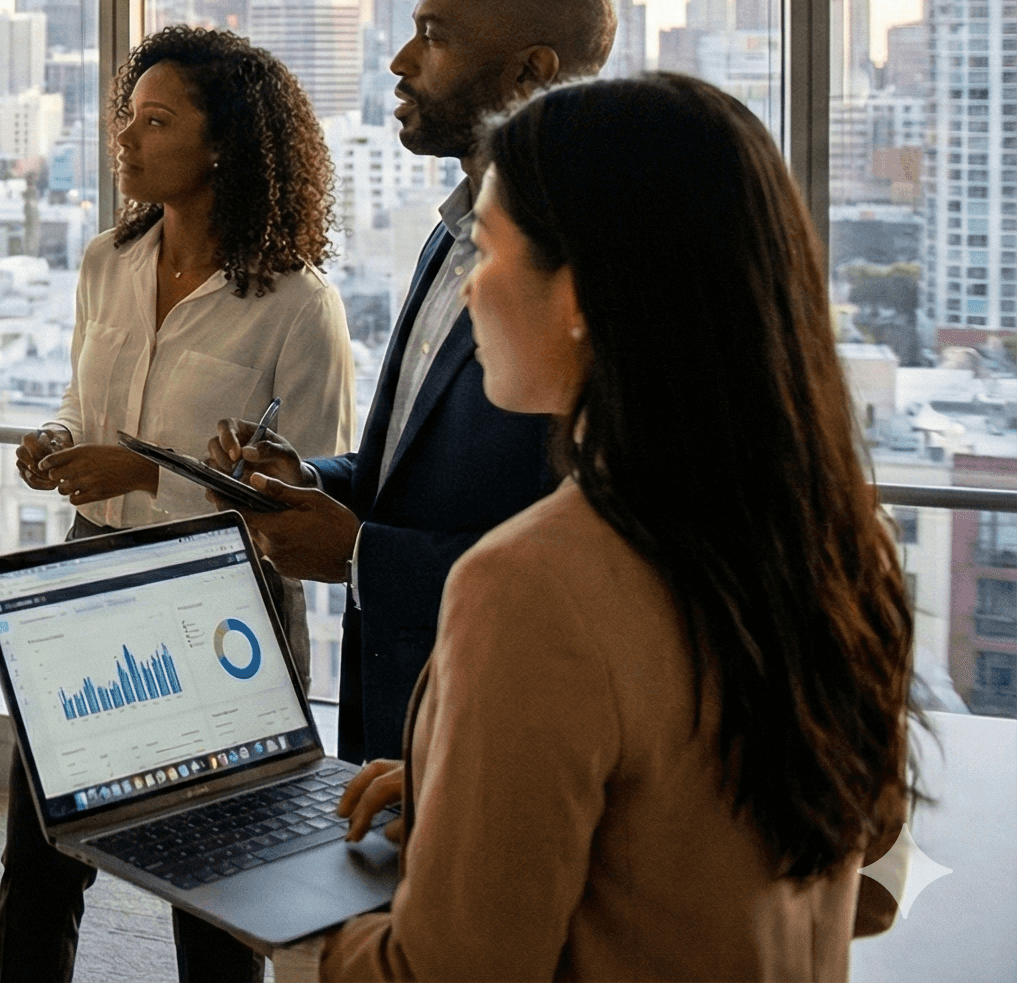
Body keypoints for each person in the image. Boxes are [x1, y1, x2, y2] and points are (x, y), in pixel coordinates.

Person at [314, 74, 917, 978]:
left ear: (587, 292)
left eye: (486, 251)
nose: (470, 292)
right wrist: (477, 800)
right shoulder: (836, 538)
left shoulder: (530, 584)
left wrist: (314, 926)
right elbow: (849, 834)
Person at [0, 25, 357, 983]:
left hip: (225, 607)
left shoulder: (295, 303)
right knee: (38, 865)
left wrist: (148, 475)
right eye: (126, 116)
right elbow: (85, 409)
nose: (125, 138)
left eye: (154, 122)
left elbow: (312, 493)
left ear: (224, 145)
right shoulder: (104, 262)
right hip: (88, 577)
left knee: (219, 896)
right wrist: (60, 445)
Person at [206, 0, 611, 769]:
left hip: (508, 726)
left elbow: (605, 570)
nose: (398, 61)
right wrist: (313, 482)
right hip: (395, 712)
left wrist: (359, 556)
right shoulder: (447, 239)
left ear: (528, 71)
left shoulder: (590, 280)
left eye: (434, 36)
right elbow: (413, 468)